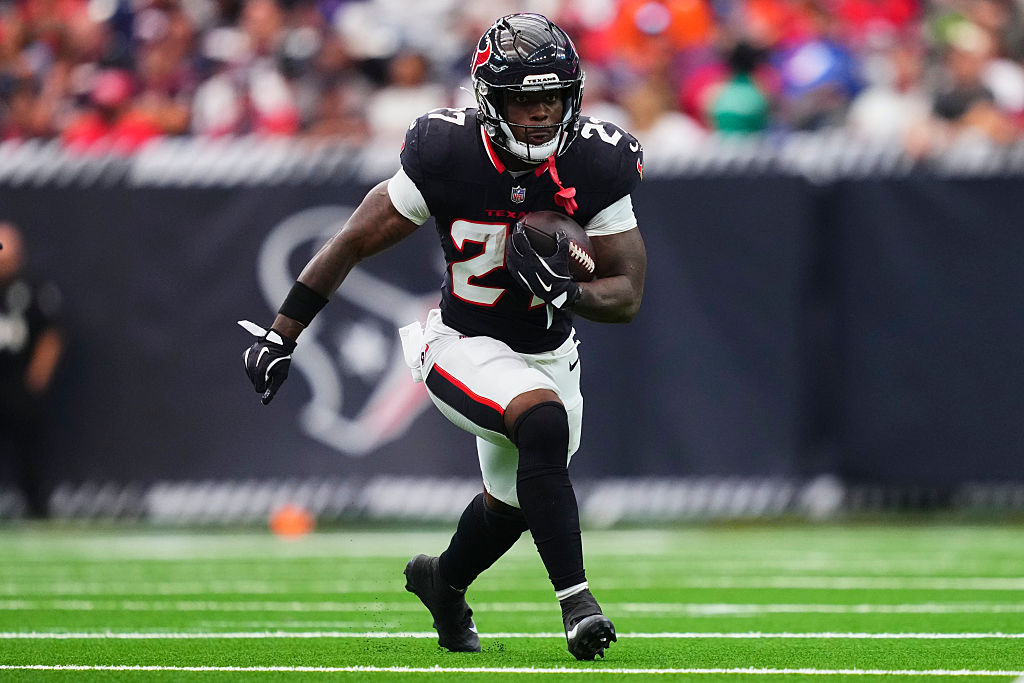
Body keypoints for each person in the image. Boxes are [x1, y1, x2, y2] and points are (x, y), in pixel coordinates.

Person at [240, 13, 646, 661]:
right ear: (490, 100)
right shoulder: (447, 151)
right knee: (537, 423)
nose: (539, 115)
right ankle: (578, 603)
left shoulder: (596, 162)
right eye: (522, 99)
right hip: (460, 340)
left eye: (550, 98)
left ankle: (443, 581)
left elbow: (626, 293)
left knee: (515, 502)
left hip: (551, 350)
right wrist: (281, 332)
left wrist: (565, 291)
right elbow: (352, 238)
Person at [0, 222, 64, 518]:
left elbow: (51, 334)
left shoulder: (32, 289)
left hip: (17, 384)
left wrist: (36, 379)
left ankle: (36, 508)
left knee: (29, 451)